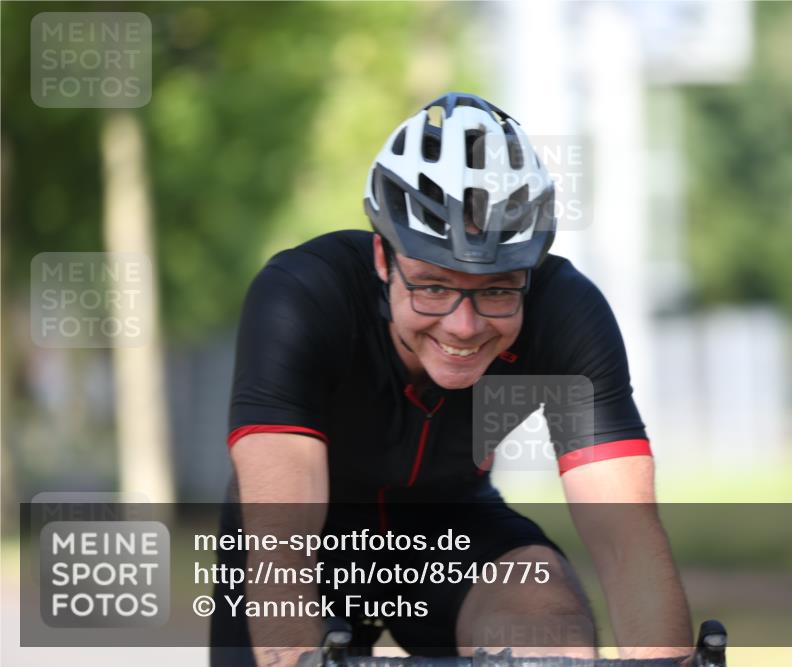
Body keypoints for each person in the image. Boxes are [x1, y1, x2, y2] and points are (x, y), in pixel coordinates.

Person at [211, 92, 692, 667]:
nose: (464, 327)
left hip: (454, 528)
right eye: (433, 286)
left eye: (497, 289)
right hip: (305, 535)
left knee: (547, 633)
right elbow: (281, 539)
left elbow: (624, 536)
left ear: (530, 272)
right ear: (384, 259)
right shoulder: (303, 296)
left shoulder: (567, 313)